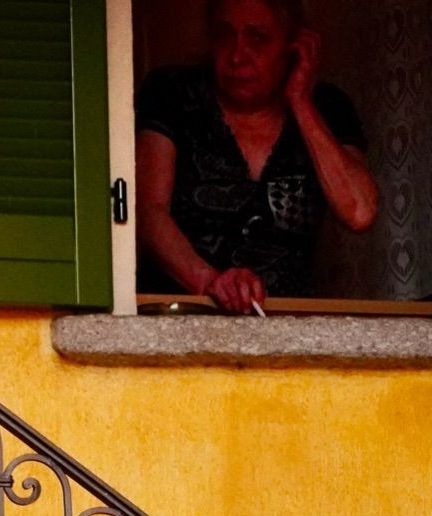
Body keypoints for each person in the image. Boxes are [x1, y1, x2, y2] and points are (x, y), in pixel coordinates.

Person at [135, 0, 379, 311]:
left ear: (293, 46)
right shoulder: (172, 92)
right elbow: (147, 210)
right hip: (178, 318)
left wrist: (300, 100)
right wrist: (211, 282)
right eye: (224, 36)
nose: (236, 56)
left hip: (285, 328)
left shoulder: (328, 106)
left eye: (258, 38)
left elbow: (359, 211)